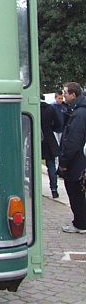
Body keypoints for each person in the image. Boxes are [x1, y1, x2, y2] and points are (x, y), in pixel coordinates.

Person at [58, 82, 86, 233]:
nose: (64, 96)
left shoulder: (78, 114)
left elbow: (72, 141)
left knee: (76, 192)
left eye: (66, 93)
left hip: (77, 163)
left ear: (74, 95)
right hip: (81, 160)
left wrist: (63, 162)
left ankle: (80, 223)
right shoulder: (79, 111)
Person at [41, 95, 63, 198]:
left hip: (34, 138)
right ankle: (54, 189)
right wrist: (50, 128)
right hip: (49, 139)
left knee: (32, 165)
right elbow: (59, 124)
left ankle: (34, 187)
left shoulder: (34, 108)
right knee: (51, 166)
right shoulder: (51, 108)